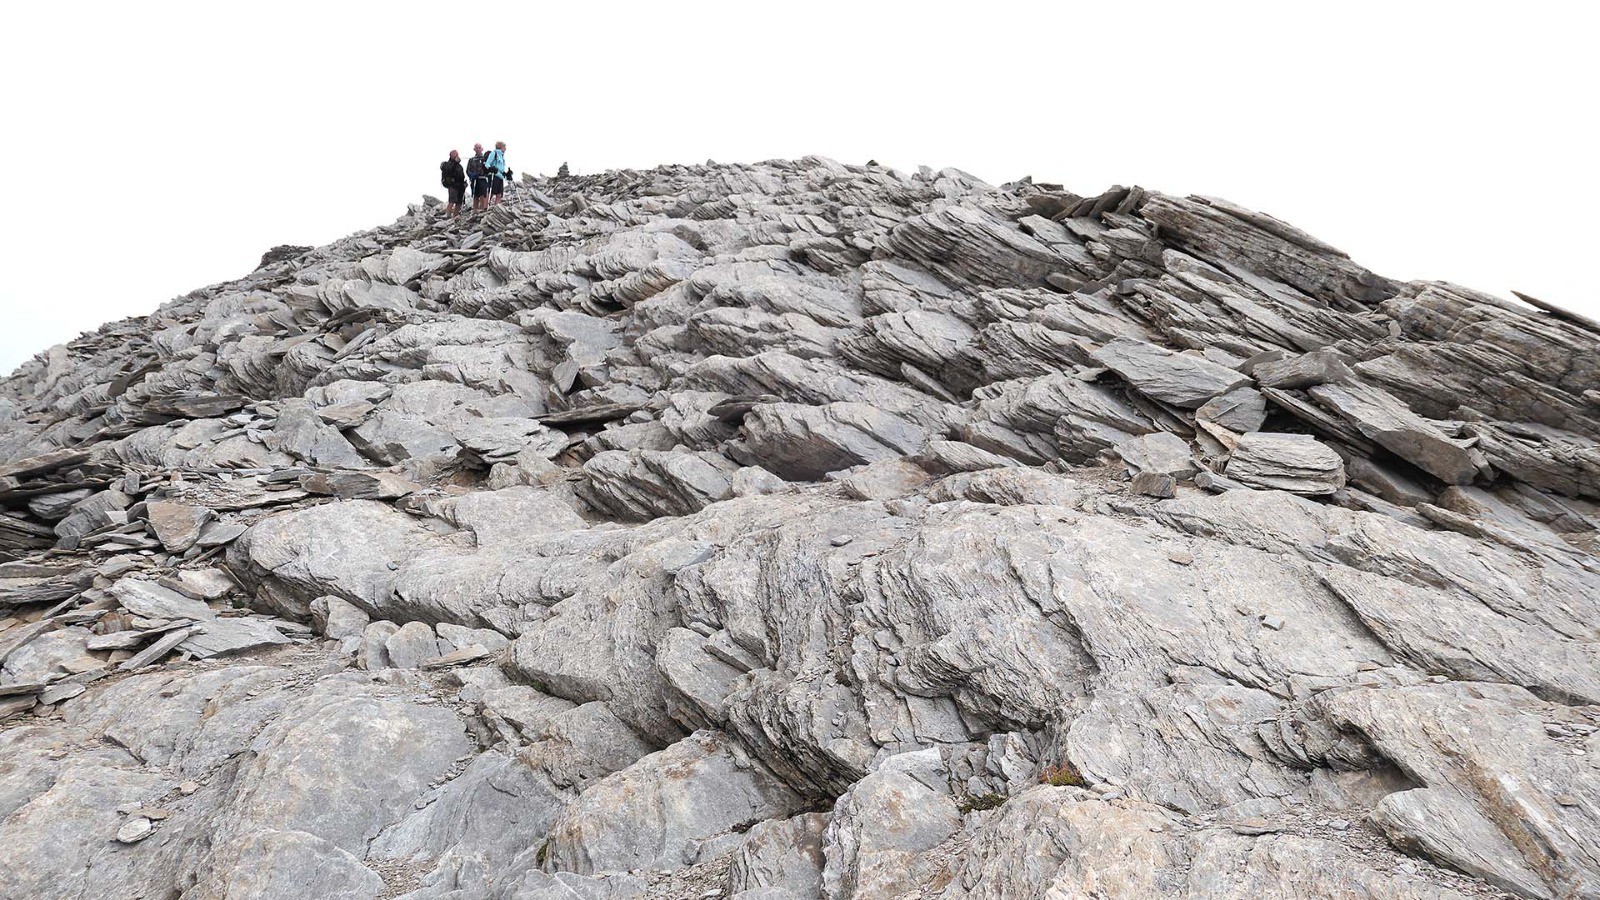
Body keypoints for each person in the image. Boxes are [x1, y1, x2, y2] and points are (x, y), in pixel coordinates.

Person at [439, 150, 466, 216]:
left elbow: (462, 174)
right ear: (450, 155)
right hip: (453, 185)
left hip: (460, 185)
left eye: (457, 154)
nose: (456, 155)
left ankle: (455, 216)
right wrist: (456, 163)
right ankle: (448, 216)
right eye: (454, 154)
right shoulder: (447, 164)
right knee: (452, 201)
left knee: (459, 202)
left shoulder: (459, 165)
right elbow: (450, 170)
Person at [485, 141, 511, 206]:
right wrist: (492, 169)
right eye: (504, 147)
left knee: (499, 193)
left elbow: (501, 168)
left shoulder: (501, 156)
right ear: (500, 147)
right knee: (491, 192)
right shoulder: (494, 153)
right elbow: (487, 164)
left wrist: (506, 173)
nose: (505, 148)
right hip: (494, 175)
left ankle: (497, 207)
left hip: (500, 176)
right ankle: (485, 206)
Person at [466, 143, 490, 211]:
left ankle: (482, 209)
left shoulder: (485, 158)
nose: (478, 149)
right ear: (474, 149)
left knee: (483, 194)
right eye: (477, 148)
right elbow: (468, 170)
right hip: (474, 179)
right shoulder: (471, 159)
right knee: (475, 195)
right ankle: (475, 210)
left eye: (479, 148)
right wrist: (471, 174)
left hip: (483, 179)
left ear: (482, 149)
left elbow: (488, 168)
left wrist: (485, 173)